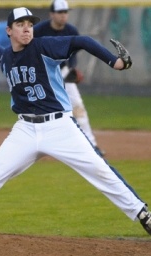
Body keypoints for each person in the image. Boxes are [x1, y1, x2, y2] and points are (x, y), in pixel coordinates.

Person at [0, 7, 151, 239]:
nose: (27, 29)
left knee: (100, 170)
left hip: (60, 127)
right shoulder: (6, 57)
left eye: (30, 25)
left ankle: (145, 216)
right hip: (25, 130)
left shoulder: (44, 46)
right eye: (20, 24)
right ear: (8, 31)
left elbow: (83, 41)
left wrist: (115, 62)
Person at [34, 0, 105, 157]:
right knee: (38, 110)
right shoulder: (39, 30)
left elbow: (73, 53)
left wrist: (72, 68)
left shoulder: (71, 30)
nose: (63, 16)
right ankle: (39, 147)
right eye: (60, 12)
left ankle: (92, 146)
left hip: (63, 72)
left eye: (65, 12)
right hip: (42, 74)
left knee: (78, 107)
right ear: (52, 14)